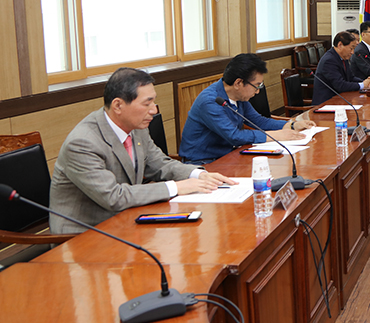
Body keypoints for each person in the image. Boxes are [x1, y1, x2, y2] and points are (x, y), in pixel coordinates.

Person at [49, 68, 234, 234]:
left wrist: (197, 175)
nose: (154, 110)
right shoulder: (83, 143)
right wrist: (178, 186)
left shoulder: (137, 127)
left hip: (127, 220)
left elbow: (159, 163)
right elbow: (114, 197)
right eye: (147, 103)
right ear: (118, 105)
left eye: (154, 102)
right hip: (84, 235)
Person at [179, 53, 311, 164]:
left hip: (228, 156)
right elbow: (234, 136)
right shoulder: (210, 101)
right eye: (256, 85)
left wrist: (292, 125)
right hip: (203, 163)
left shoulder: (239, 96)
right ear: (238, 83)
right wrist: (276, 135)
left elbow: (259, 121)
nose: (258, 91)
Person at [314, 31, 370, 105]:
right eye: (351, 48)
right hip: (326, 104)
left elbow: (351, 78)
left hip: (339, 100)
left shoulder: (342, 58)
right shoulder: (329, 60)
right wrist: (362, 85)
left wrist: (366, 83)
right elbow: (340, 85)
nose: (352, 52)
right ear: (340, 45)